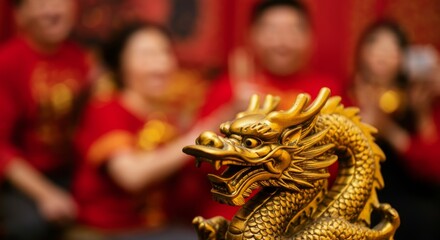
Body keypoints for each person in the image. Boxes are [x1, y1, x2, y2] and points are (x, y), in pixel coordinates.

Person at [195, 0, 344, 220]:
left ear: (310, 37)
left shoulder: (327, 91)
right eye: (272, 30)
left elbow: (340, 163)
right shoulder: (229, 88)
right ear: (252, 35)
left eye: (293, 30)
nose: (282, 41)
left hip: (309, 217)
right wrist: (231, 112)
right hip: (234, 218)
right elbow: (197, 162)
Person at [71, 22, 205, 240]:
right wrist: (194, 139)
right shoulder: (106, 108)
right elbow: (131, 176)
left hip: (159, 226)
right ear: (121, 65)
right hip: (111, 230)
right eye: (146, 55)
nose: (160, 63)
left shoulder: (167, 116)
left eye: (165, 53)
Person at [0, 0, 90, 239]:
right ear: (20, 15)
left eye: (59, 2)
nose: (52, 11)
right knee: (30, 225)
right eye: (40, 4)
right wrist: (45, 194)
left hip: (70, 171)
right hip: (22, 179)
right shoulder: (8, 62)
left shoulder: (81, 58)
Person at [350, 20, 440, 240]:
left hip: (409, 200)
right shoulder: (348, 94)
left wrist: (392, 130)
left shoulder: (416, 99)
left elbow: (433, 168)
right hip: (357, 198)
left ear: (404, 59)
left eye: (392, 49)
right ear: (361, 51)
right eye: (376, 45)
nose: (383, 54)